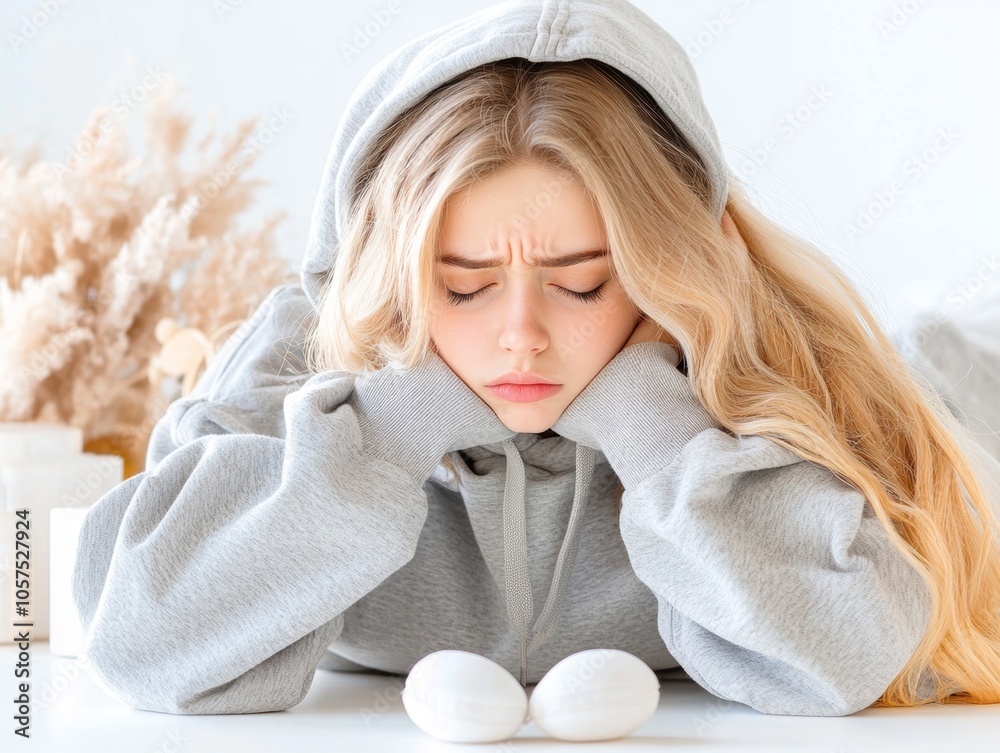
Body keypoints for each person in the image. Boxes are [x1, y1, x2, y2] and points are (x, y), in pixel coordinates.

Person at [72, 0, 1000, 719]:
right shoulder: (301, 354)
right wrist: (391, 426)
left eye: (584, 282)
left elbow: (851, 653)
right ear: (385, 268)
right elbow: (136, 642)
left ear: (669, 268)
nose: (520, 334)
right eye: (464, 285)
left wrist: (654, 420)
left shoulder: (757, 360)